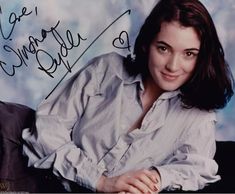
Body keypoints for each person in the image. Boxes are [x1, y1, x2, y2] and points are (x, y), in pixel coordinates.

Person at [22, 0, 234, 193]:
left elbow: (198, 168)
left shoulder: (199, 116)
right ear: (146, 44)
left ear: (202, 57)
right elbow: (46, 130)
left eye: (189, 54)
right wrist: (99, 181)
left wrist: (156, 178)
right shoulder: (105, 70)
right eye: (163, 48)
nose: (173, 66)